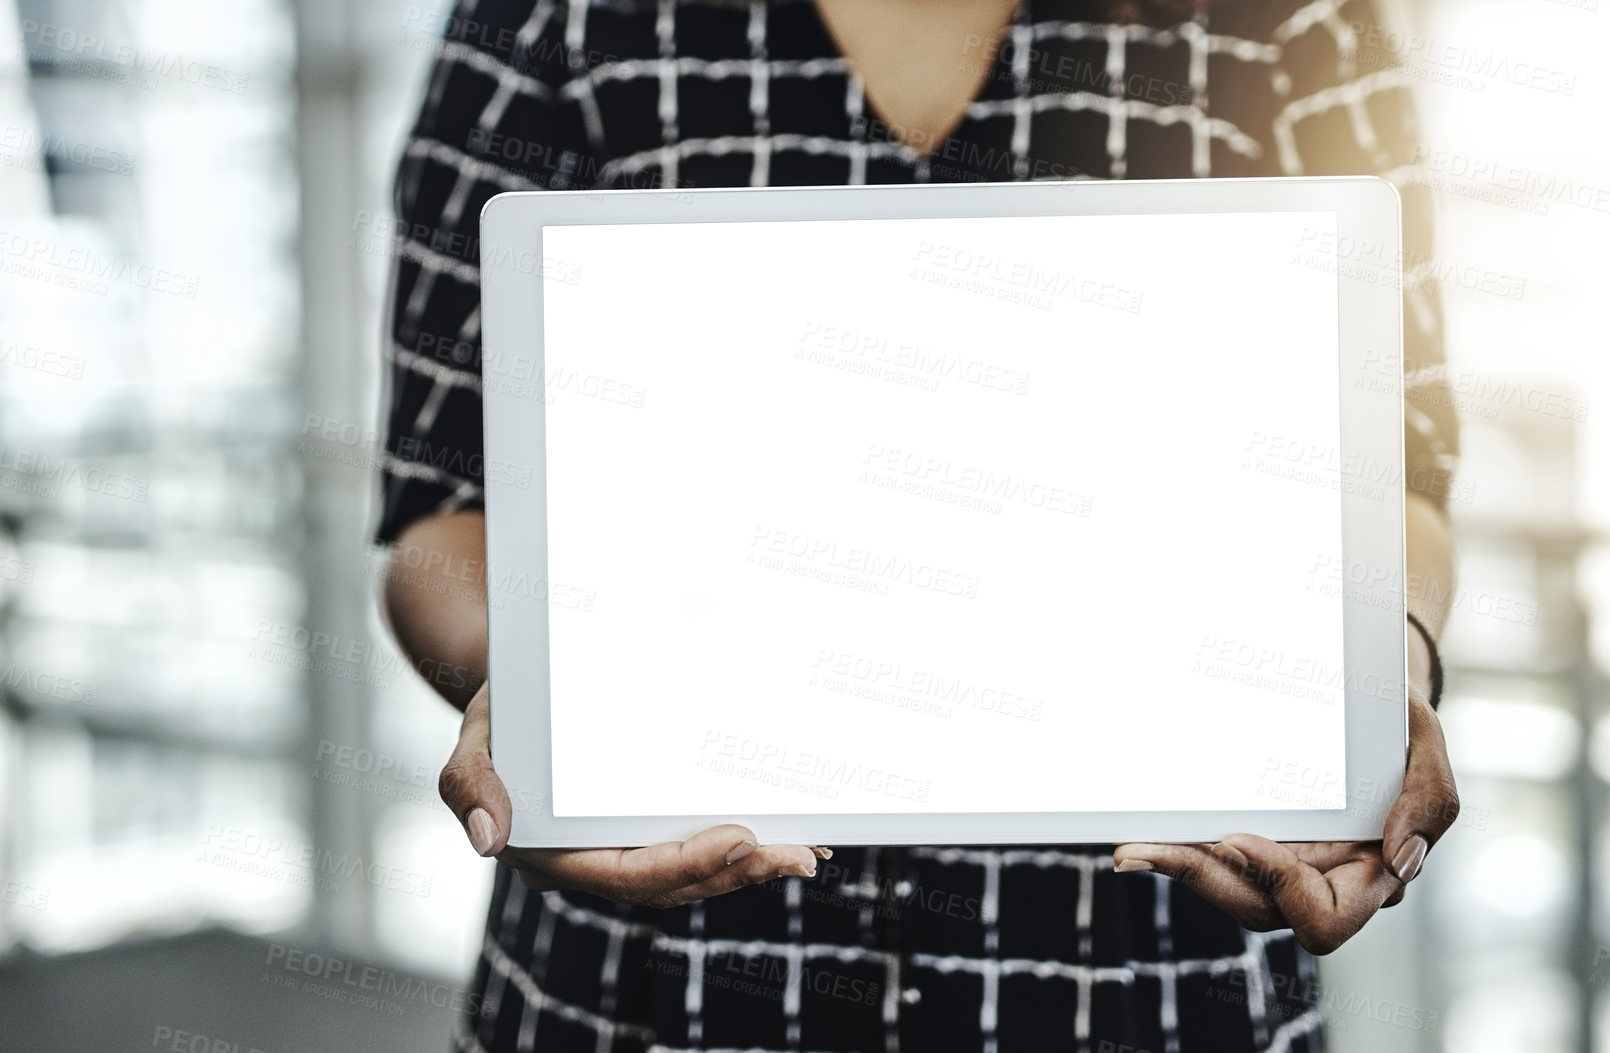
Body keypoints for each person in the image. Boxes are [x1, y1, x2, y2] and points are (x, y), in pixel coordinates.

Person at [377, 1, 1461, 1050]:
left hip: (1147, 971)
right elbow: (442, 512)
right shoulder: (548, 16)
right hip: (652, 981)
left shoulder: (1292, 18)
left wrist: (1385, 667)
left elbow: (1397, 480)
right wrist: (533, 699)